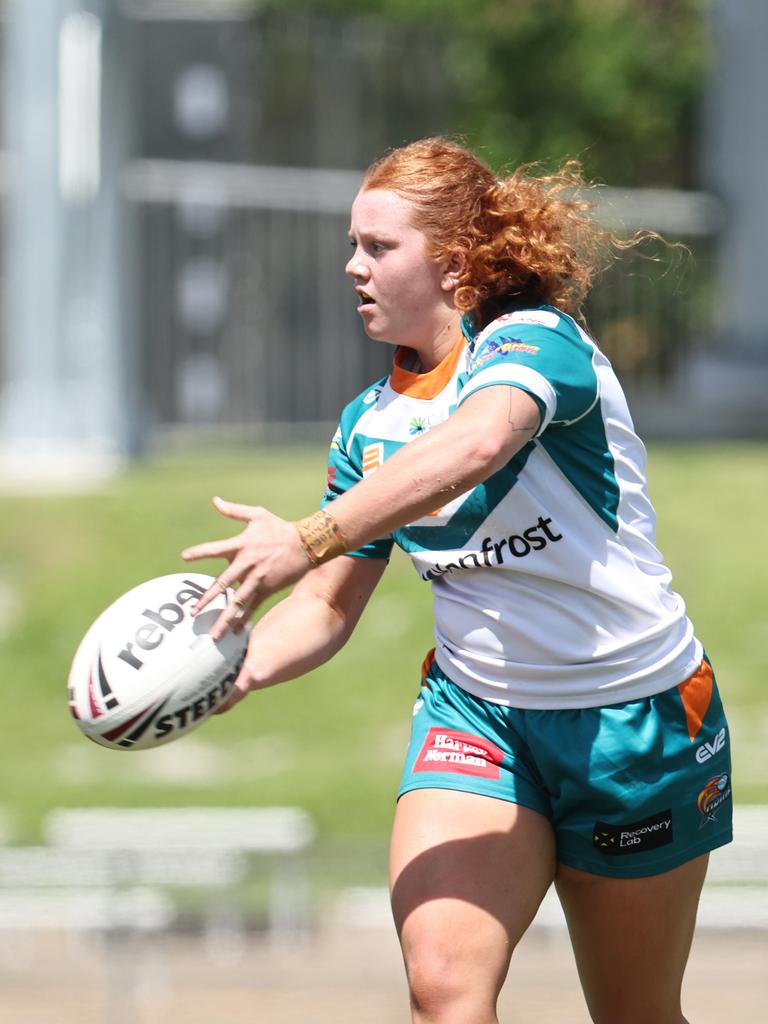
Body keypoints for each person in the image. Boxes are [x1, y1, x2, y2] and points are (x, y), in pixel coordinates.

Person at [181, 137, 732, 1024]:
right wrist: (222, 673)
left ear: (456, 260)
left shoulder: (537, 343)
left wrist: (310, 536)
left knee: (635, 1012)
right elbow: (323, 608)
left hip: (636, 718)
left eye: (377, 247)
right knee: (443, 988)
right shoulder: (366, 425)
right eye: (351, 244)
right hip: (479, 719)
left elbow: (475, 445)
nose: (351, 266)